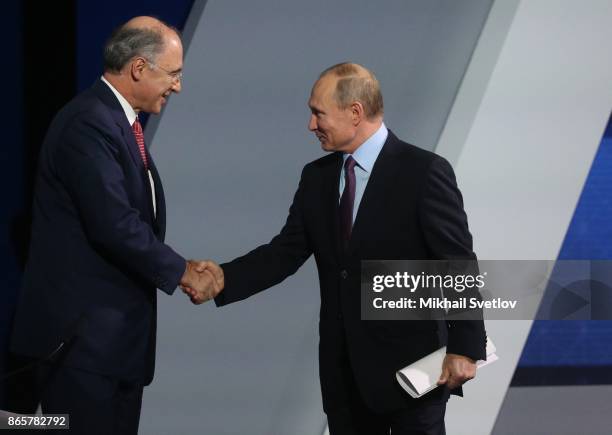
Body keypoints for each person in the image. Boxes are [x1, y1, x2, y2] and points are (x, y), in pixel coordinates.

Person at [186, 62, 486, 435]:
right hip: (344, 374)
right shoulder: (317, 177)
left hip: (413, 370)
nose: (311, 125)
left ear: (355, 112)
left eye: (318, 113)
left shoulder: (423, 171)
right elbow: (286, 251)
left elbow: (456, 262)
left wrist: (466, 346)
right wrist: (224, 278)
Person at [10, 16, 219, 435]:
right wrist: (182, 271)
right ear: (139, 68)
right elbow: (114, 223)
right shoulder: (88, 123)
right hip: (80, 349)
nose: (177, 86)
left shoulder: (119, 126)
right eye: (173, 74)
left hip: (113, 349)